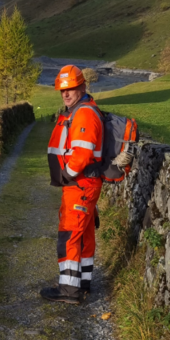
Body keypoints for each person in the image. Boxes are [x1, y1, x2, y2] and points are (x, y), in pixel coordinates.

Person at [42, 65, 125, 303]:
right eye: (62, 90)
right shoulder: (79, 110)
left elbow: (82, 154)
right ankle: (83, 283)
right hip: (83, 184)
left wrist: (67, 175)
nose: (66, 94)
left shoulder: (85, 114)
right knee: (84, 233)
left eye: (71, 88)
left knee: (70, 234)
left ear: (82, 86)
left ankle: (69, 290)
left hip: (80, 184)